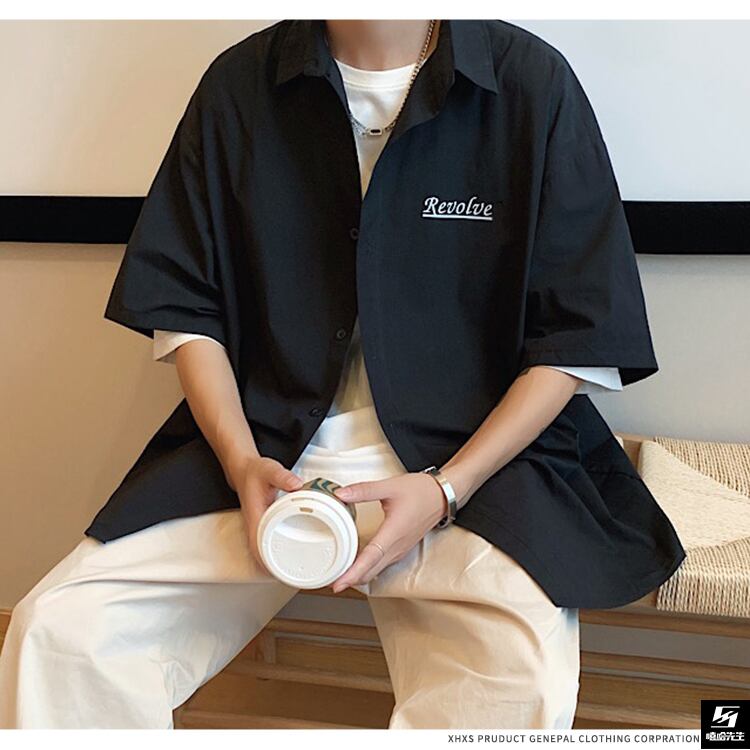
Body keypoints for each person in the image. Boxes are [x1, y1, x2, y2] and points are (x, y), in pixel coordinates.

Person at [0, 19, 686, 729]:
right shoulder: (239, 84)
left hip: (475, 466)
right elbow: (186, 311)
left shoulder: (531, 83)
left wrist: (447, 488)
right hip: (267, 449)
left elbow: (572, 336)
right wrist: (240, 462)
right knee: (62, 636)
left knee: (512, 688)